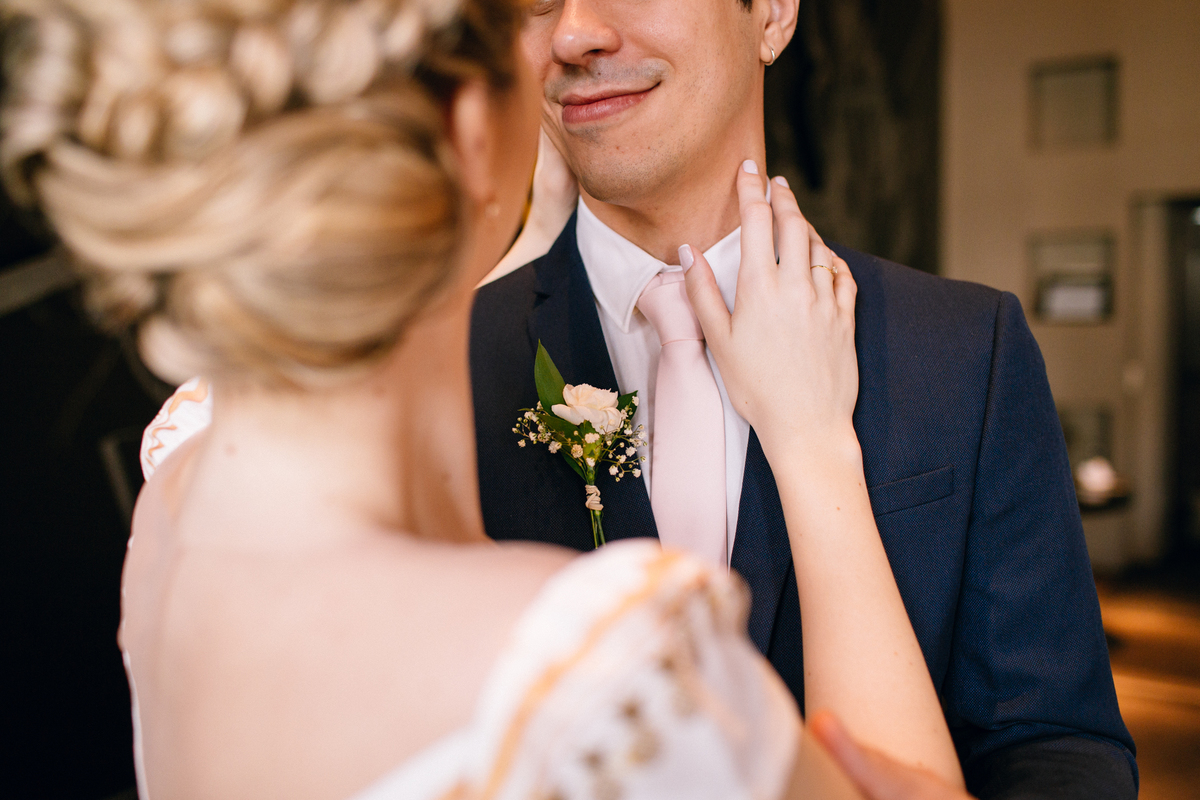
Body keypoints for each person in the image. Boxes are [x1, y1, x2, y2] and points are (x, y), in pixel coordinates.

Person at [2, 0, 965, 798]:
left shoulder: (181, 469)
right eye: (531, 9)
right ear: (470, 135)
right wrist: (808, 441)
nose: (570, 39)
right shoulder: (593, 673)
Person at [468, 1, 1138, 798]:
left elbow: (1059, 749)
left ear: (775, 14)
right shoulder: (445, 362)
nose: (574, 34)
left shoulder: (968, 349)